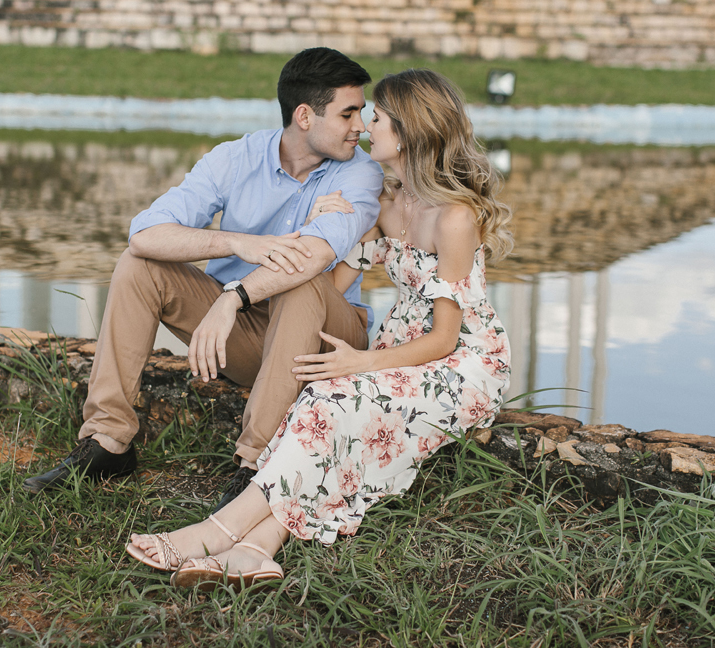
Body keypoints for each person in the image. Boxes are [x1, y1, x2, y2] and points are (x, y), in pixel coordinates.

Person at [126, 68, 514, 588]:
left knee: (333, 400)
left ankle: (219, 529)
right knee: (319, 400)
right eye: (361, 114)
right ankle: (258, 551)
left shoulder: (455, 217)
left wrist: (359, 363)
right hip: (400, 351)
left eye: (377, 117)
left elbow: (446, 338)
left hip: (460, 365)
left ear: (410, 132)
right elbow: (325, 288)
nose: (365, 127)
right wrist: (319, 221)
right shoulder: (386, 206)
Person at [23, 47, 384, 509]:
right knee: (139, 266)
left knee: (302, 281)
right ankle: (108, 442)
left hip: (326, 342)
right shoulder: (236, 158)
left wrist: (232, 296)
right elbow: (145, 233)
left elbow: (312, 257)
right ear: (305, 116)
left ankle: (255, 464)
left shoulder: (360, 173)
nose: (360, 126)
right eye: (348, 113)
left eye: (362, 113)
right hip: (253, 341)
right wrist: (236, 243)